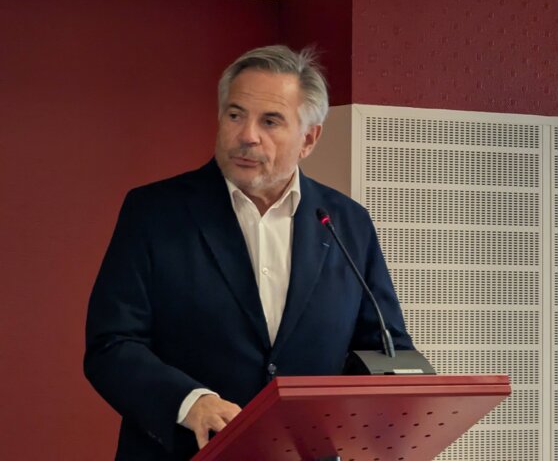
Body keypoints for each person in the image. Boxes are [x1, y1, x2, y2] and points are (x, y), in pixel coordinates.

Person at [85, 45, 414, 460]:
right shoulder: (154, 213)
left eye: (270, 121)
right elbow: (112, 344)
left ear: (308, 138)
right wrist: (190, 402)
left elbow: (386, 347)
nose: (247, 135)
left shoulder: (347, 222)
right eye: (235, 115)